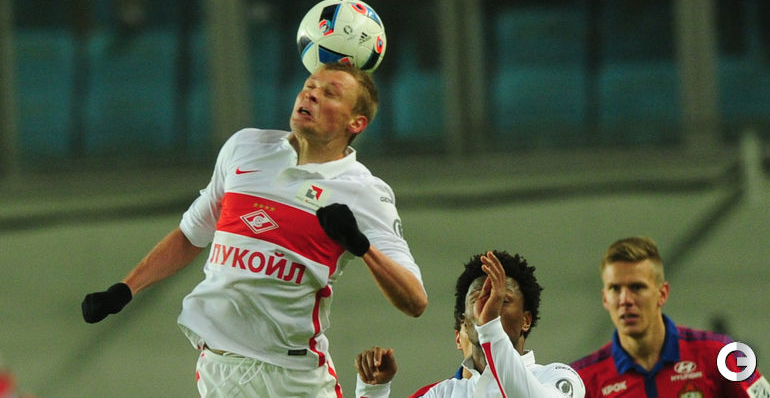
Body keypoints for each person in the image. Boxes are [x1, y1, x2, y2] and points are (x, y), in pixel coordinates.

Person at [81, 62, 427, 397]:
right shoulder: (246, 148)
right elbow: (190, 235)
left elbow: (414, 301)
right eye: (309, 86)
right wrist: (125, 289)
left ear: (357, 122)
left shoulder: (364, 191)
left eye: (330, 93)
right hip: (218, 368)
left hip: (293, 378)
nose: (310, 95)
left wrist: (361, 246)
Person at [355, 250, 585, 397]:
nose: (488, 308)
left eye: (502, 300)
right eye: (477, 300)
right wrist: (374, 390)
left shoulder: (558, 377)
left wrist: (490, 328)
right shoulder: (441, 394)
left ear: (526, 320)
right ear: (464, 322)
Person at [570, 236, 770, 397]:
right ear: (605, 299)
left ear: (662, 293)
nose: (625, 300)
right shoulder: (581, 381)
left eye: (637, 287)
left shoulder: (719, 354)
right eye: (615, 289)